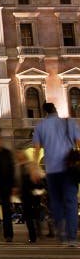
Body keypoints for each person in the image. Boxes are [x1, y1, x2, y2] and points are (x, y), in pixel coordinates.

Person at [33, 102, 80, 246]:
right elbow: (78, 142)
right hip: (69, 169)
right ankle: (71, 237)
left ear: (44, 112)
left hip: (52, 170)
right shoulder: (69, 123)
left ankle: (62, 235)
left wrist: (35, 168)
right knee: (71, 202)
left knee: (56, 203)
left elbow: (36, 149)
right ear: (56, 110)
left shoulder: (40, 126)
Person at [15, 149, 39, 243]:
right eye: (17, 155)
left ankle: (37, 230)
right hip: (24, 194)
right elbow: (16, 179)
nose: (19, 157)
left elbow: (38, 176)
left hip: (33, 192)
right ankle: (32, 236)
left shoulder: (30, 164)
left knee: (34, 214)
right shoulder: (17, 167)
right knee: (28, 215)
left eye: (20, 154)